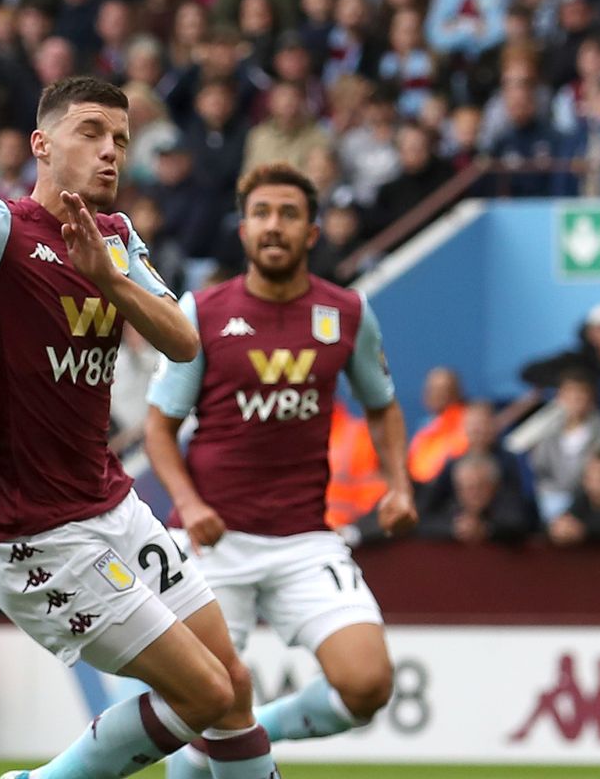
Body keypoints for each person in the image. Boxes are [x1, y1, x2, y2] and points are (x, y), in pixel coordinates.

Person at [0, 77, 279, 779]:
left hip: (111, 503)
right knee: (203, 693)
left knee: (233, 687)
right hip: (33, 533)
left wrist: (109, 278)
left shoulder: (118, 237)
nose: (112, 153)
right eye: (92, 133)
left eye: (122, 141)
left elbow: (184, 342)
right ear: (42, 145)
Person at [147, 162, 414, 776]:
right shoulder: (203, 311)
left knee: (368, 685)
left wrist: (398, 485)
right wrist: (189, 504)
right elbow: (159, 430)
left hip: (304, 539)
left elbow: (384, 407)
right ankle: (217, 742)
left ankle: (251, 732)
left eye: (289, 214)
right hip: (214, 544)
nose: (275, 226)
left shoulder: (346, 313)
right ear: (242, 230)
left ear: (313, 233)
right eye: (262, 213)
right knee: (201, 702)